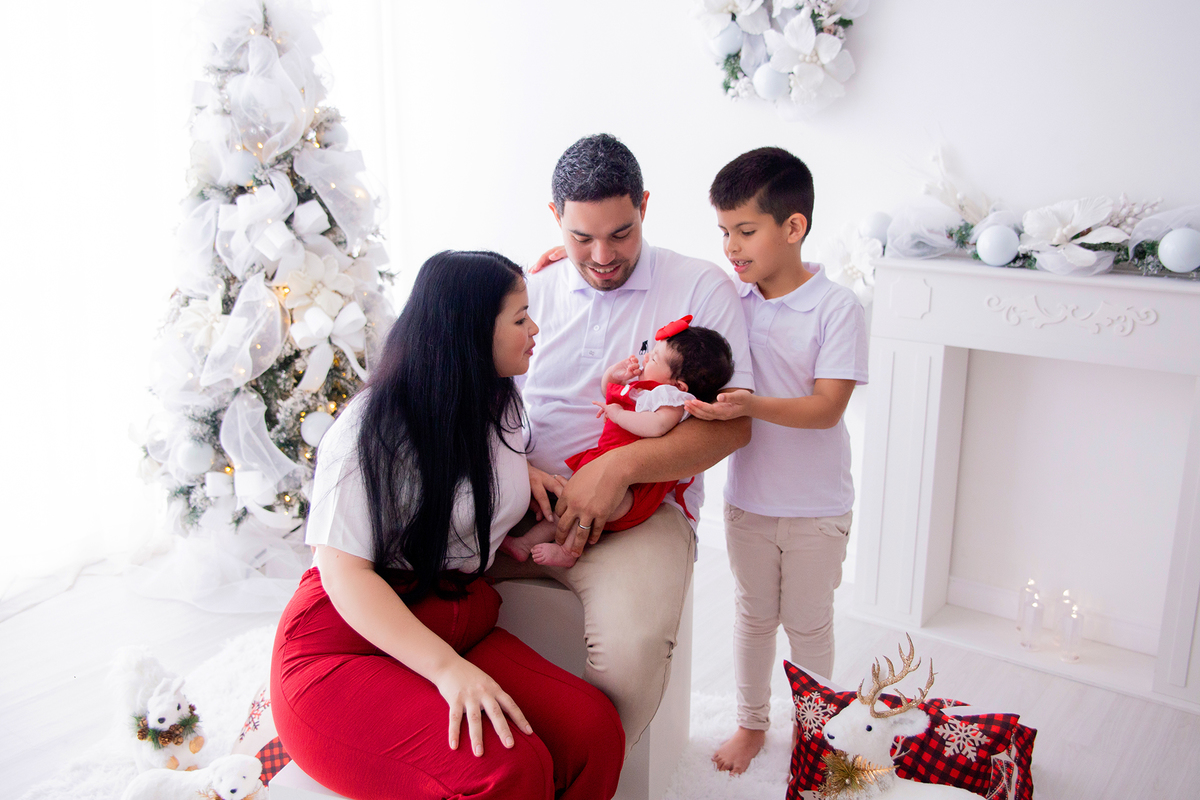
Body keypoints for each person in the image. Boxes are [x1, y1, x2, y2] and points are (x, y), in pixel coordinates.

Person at [270, 250, 624, 799]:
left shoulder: (497, 402)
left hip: (456, 617)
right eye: (519, 318)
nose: (535, 329)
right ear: (470, 333)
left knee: (593, 732)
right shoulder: (369, 431)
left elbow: (454, 480)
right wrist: (446, 670)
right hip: (348, 643)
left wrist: (520, 483)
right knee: (510, 769)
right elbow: (344, 575)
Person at [490, 133, 754, 753]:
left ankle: (575, 776)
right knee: (418, 587)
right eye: (582, 238)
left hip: (643, 509)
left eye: (621, 233)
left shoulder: (699, 289)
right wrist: (515, 469)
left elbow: (735, 423)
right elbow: (486, 398)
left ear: (645, 207)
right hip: (525, 495)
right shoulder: (533, 288)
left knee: (631, 659)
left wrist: (619, 470)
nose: (603, 255)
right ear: (556, 219)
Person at [685, 147, 869, 774]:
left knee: (809, 626)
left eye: (745, 231)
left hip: (817, 508)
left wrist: (752, 404)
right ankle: (751, 724)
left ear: (793, 227)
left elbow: (826, 409)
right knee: (753, 618)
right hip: (749, 503)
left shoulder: (836, 307)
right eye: (724, 233)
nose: (732, 248)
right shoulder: (733, 301)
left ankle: (816, 733)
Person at [501, 316, 735, 568]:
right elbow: (608, 390)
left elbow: (656, 427)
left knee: (578, 509)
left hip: (632, 488)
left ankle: (569, 552)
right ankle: (524, 544)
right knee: (568, 504)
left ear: (678, 384)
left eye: (655, 358)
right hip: (603, 463)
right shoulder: (644, 388)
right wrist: (614, 376)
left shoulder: (673, 399)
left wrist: (620, 415)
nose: (647, 358)